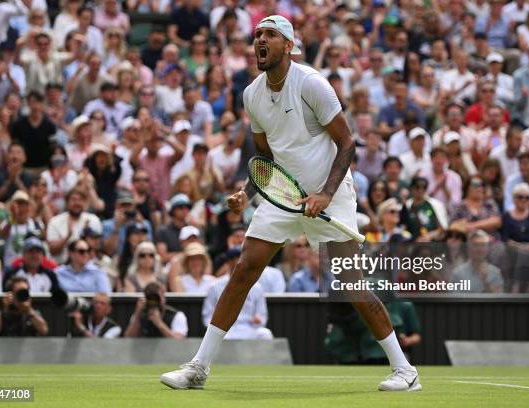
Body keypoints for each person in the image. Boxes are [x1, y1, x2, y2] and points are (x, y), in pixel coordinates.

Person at [161, 15, 421, 392]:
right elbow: (265, 159)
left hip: (328, 191)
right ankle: (198, 366)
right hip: (283, 195)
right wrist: (246, 194)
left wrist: (326, 195)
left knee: (351, 283)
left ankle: (405, 370)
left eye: (269, 35)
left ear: (288, 45)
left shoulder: (313, 84)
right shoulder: (252, 94)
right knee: (244, 269)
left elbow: (347, 144)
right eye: (257, 36)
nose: (260, 41)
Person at [203, 259, 273, 340]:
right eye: (234, 261)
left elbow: (262, 316)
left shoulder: (257, 287)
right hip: (224, 330)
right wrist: (216, 330)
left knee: (265, 334)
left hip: (249, 328)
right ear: (228, 264)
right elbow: (207, 316)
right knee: (219, 337)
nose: (237, 265)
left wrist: (258, 320)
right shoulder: (214, 287)